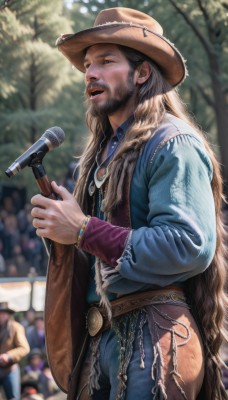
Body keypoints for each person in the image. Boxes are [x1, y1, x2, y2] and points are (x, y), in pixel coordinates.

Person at [30, 7, 228, 400]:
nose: (90, 73)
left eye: (106, 61)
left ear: (141, 73)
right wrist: (62, 232)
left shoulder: (174, 143)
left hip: (156, 337)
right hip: (100, 339)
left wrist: (84, 229)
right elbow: (94, 256)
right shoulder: (100, 156)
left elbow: (189, 244)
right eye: (88, 64)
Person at [0, 301, 30, 400]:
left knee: (13, 398)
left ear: (8, 315)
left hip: (10, 369)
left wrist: (8, 355)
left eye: (3, 313)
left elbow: (24, 348)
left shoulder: (16, 327)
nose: (1, 316)